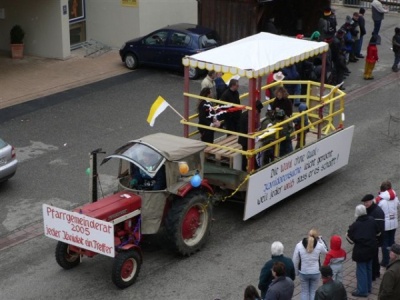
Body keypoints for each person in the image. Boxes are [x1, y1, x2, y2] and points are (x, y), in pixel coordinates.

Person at [346, 204, 381, 297]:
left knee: (361, 270)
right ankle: (368, 287)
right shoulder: (372, 220)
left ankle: (362, 290)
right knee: (369, 268)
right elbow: (378, 233)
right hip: (372, 249)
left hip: (361, 251)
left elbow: (350, 240)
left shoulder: (355, 225)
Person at [292, 228, 328, 300]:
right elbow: (326, 252)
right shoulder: (319, 245)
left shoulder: (299, 245)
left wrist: (296, 272)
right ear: (316, 237)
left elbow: (295, 260)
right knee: (313, 292)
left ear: (308, 235)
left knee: (304, 291)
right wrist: (321, 240)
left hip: (303, 272)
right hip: (315, 272)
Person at [361, 194, 385, 280]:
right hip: (373, 238)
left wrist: (376, 239)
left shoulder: (377, 212)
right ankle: (376, 272)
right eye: (364, 202)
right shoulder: (370, 209)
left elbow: (380, 228)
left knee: (374, 257)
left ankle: (374, 273)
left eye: (367, 202)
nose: (365, 204)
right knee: (374, 256)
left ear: (371, 201)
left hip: (375, 239)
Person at [377, 181, 399, 268]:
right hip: (394, 223)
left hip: (385, 225)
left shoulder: (381, 201)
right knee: (392, 241)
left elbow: (378, 212)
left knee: (384, 243)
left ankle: (385, 261)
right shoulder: (395, 198)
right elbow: (398, 205)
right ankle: (393, 259)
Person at [238, 100, 263, 171]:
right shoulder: (248, 117)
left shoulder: (246, 114)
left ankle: (250, 168)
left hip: (244, 138)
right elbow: (248, 129)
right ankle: (250, 168)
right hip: (246, 139)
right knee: (247, 155)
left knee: (246, 155)